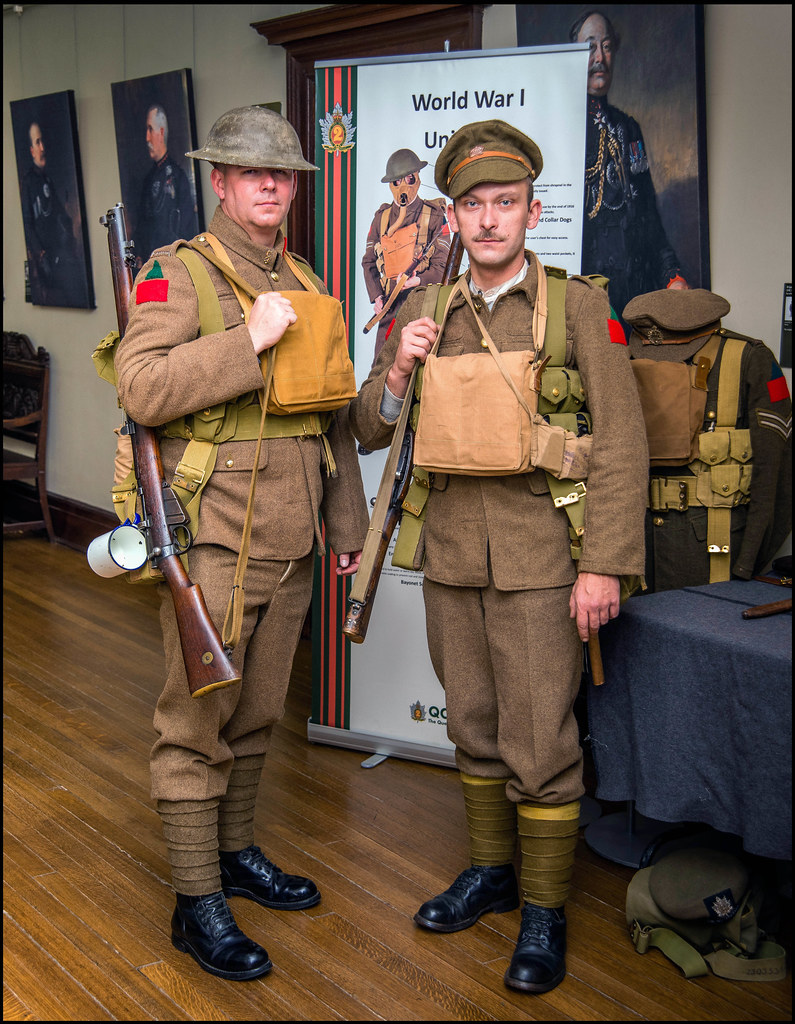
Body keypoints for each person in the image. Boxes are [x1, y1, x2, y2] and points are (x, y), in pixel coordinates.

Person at [348, 119, 648, 994]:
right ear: (451, 215)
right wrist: (397, 374)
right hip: (448, 554)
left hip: (543, 557)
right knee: (472, 723)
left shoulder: (579, 306)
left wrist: (604, 566)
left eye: (503, 204)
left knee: (539, 737)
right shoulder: (419, 309)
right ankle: (492, 872)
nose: (487, 221)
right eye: (471, 206)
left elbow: (621, 444)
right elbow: (367, 426)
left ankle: (545, 910)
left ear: (531, 210)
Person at [114, 105, 369, 982]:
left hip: (295, 535)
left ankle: (233, 855)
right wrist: (245, 339)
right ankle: (196, 899)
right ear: (218, 181)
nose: (270, 186)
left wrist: (348, 528)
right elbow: (142, 388)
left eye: (283, 175)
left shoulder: (301, 274)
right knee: (195, 724)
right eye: (251, 172)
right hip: (213, 536)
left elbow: (328, 415)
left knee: (258, 713)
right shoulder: (173, 273)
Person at [623, 287, 792, 591]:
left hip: (714, 555)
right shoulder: (624, 359)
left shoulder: (752, 360)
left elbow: (777, 474)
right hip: (636, 549)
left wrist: (747, 564)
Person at [570, 10, 687, 326]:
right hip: (584, 294)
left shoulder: (628, 128)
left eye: (606, 47)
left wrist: (671, 274)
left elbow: (647, 213)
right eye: (589, 47)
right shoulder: (562, 130)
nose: (599, 58)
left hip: (634, 291)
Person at [361, 148, 451, 363]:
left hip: (424, 307)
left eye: (409, 179)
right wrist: (377, 297)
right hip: (389, 307)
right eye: (396, 181)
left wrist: (418, 280)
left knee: (421, 370)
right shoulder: (381, 219)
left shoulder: (435, 215)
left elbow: (444, 265)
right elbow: (369, 262)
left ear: (418, 179)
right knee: (381, 368)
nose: (403, 187)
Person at [20, 120, 77, 305]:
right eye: (37, 143)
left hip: (58, 252)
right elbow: (27, 222)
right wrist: (40, 252)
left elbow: (58, 212)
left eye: (42, 142)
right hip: (44, 257)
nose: (42, 148)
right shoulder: (28, 183)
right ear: (31, 150)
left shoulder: (47, 180)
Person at [134, 103, 197, 265]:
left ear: (161, 133)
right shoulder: (148, 180)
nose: (146, 138)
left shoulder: (178, 177)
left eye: (150, 130)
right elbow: (143, 223)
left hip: (174, 264)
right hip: (150, 265)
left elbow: (187, 227)